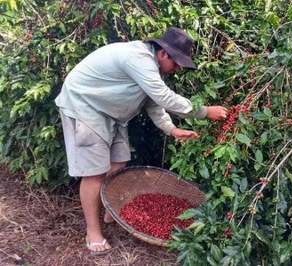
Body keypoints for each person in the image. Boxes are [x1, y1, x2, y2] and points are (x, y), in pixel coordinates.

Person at [54, 26, 228, 255]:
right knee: (95, 172)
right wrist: (205, 111)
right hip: (84, 107)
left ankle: (110, 210)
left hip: (111, 113)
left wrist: (172, 129)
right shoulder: (138, 58)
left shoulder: (151, 68)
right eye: (176, 63)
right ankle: (93, 232)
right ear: (164, 53)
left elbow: (153, 103)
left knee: (118, 163)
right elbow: (164, 97)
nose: (176, 70)